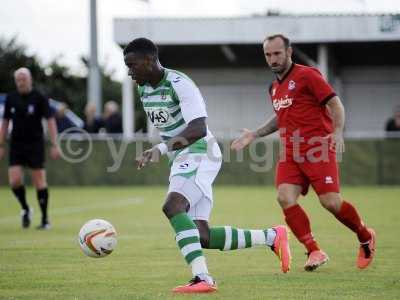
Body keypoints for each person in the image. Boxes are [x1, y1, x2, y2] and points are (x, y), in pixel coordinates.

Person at [123, 38, 291, 294]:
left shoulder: (180, 85)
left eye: (132, 65)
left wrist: (160, 148)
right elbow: (169, 127)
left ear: (149, 61)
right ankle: (272, 236)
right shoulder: (143, 88)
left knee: (172, 206)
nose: (129, 72)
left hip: (200, 150)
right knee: (202, 235)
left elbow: (198, 128)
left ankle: (203, 278)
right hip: (182, 155)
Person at [232, 34, 375, 271]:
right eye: (268, 55)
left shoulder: (308, 75)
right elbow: (281, 117)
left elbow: (335, 104)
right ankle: (314, 251)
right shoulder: (274, 87)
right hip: (290, 152)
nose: (273, 59)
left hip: (318, 149)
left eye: (277, 53)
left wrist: (338, 131)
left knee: (330, 203)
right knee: (284, 197)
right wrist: (254, 134)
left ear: (289, 52)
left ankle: (365, 235)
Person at [0, 67, 60, 230]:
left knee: (39, 180)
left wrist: (55, 144)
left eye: (23, 79)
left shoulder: (39, 97)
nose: (21, 82)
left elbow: (50, 121)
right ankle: (26, 208)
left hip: (35, 144)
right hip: (16, 144)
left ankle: (45, 219)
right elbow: (5, 123)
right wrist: (1, 144)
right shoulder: (11, 99)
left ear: (30, 80)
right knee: (14, 181)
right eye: (18, 79)